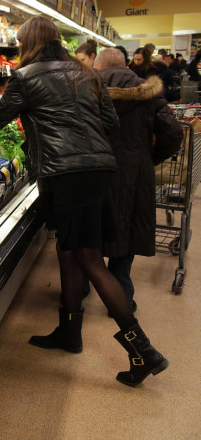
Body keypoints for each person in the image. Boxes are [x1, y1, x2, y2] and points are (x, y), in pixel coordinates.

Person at [0, 16, 168, 386]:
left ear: (31, 42)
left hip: (66, 174)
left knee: (89, 258)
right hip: (96, 169)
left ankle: (143, 351)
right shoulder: (86, 74)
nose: (17, 45)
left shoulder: (27, 77)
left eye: (20, 40)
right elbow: (110, 121)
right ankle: (69, 332)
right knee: (68, 250)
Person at [92, 48, 183, 314]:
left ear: (99, 66)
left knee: (89, 230)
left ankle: (81, 291)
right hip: (135, 170)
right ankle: (121, 299)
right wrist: (148, 158)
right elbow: (174, 133)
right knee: (126, 229)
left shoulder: (85, 89)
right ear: (126, 65)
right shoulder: (148, 91)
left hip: (95, 168)